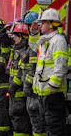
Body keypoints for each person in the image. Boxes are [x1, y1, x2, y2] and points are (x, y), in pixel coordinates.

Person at [34, 8, 68, 136]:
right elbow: (32, 48)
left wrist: (53, 85)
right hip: (45, 92)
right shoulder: (45, 41)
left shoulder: (58, 41)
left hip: (54, 93)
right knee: (46, 124)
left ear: (52, 24)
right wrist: (32, 33)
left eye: (43, 23)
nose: (40, 25)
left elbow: (61, 66)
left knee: (54, 126)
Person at [23, 11, 46, 135]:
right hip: (35, 84)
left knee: (37, 114)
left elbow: (34, 65)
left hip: (40, 84)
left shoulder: (45, 42)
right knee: (32, 112)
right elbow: (33, 45)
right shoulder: (35, 42)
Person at [8, 23, 31, 135]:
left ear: (22, 37)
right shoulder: (16, 50)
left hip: (19, 90)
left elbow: (22, 71)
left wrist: (13, 85)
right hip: (14, 90)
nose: (13, 39)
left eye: (15, 36)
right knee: (13, 114)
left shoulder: (24, 52)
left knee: (19, 115)